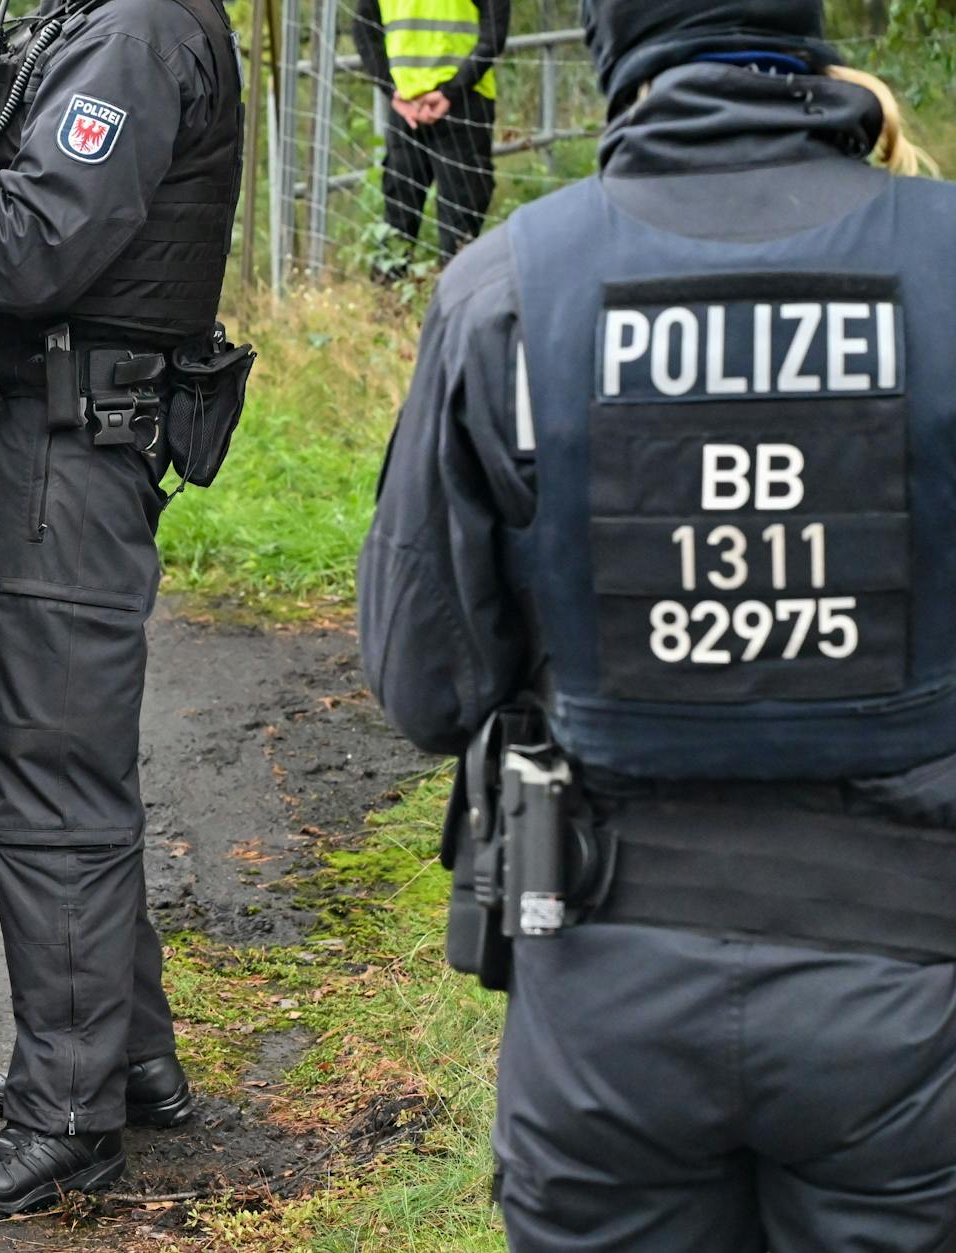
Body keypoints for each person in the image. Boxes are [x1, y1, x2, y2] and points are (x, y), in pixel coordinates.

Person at [359, 2, 956, 1247]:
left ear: (606, 45)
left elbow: (422, 679)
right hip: (912, 994)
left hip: (604, 988)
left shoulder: (507, 287)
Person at [0, 0, 249, 1218]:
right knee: (67, 752)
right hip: (57, 423)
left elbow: (33, 245)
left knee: (50, 773)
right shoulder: (87, 18)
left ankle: (67, 1116)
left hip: (73, 437)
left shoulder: (132, 30)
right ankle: (128, 1055)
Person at [352, 0, 507, 266]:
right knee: (398, 217)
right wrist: (393, 91)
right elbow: (363, 29)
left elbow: (494, 32)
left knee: (461, 222)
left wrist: (451, 91)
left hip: (463, 105)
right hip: (409, 109)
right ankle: (391, 302)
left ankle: (452, 301)